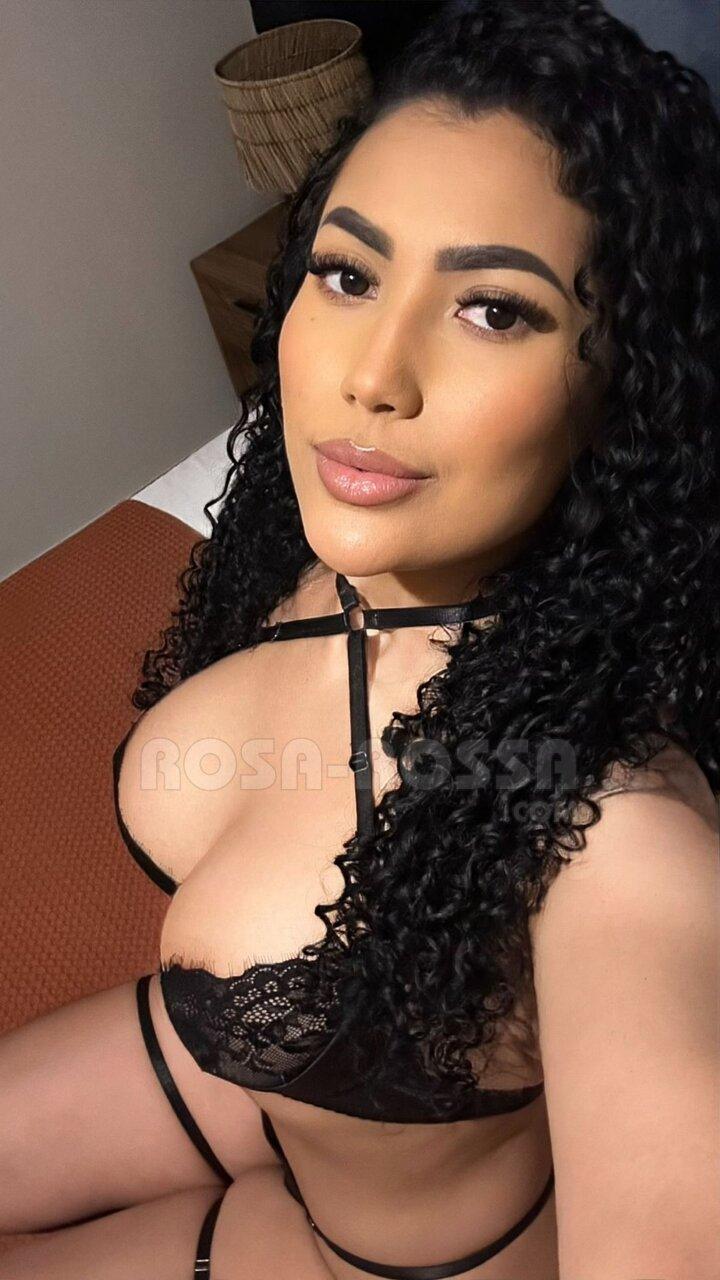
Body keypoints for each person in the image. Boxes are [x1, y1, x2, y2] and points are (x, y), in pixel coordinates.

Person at [1, 1, 718, 1276]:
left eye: (494, 309)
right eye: (348, 274)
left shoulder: (622, 845)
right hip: (232, 1070)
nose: (370, 376)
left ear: (622, 389)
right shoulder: (307, 541)